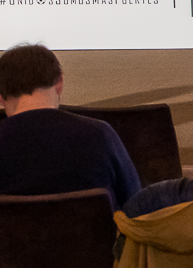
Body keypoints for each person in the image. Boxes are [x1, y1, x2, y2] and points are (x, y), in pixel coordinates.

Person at [0, 43, 141, 211]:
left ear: (1, 97)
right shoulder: (100, 135)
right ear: (59, 81)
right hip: (95, 237)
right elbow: (137, 207)